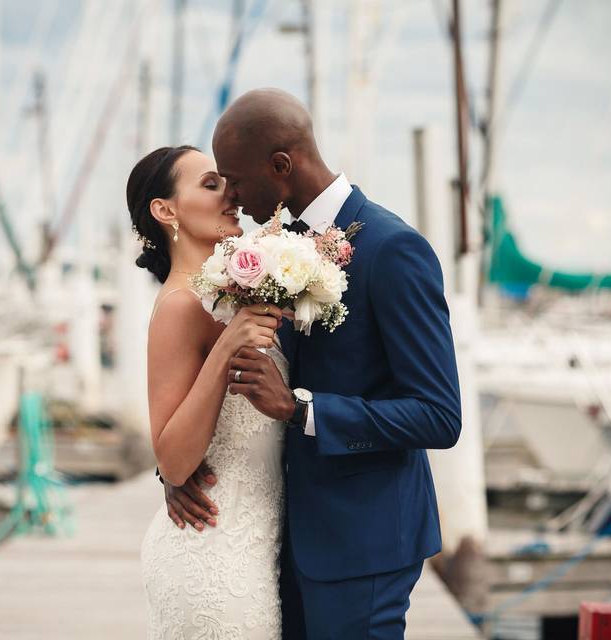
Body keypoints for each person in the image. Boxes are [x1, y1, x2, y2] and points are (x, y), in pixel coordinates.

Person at [163, 88, 463, 639]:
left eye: (234, 177)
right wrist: (180, 468)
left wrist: (301, 409)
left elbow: (439, 415)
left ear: (281, 165)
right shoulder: (276, 245)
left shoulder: (393, 250)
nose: (230, 194)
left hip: (362, 544)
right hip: (282, 540)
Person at [132, 144, 288, 638]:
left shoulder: (222, 297)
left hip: (253, 550)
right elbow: (174, 460)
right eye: (210, 184)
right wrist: (226, 351)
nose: (231, 195)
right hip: (212, 557)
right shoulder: (181, 306)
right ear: (165, 210)